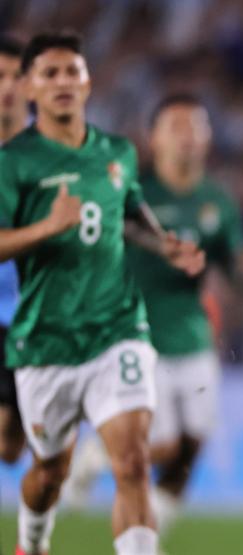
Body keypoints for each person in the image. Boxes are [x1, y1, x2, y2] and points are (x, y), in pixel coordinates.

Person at [0, 31, 204, 555]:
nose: (64, 82)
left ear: (89, 81)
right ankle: (32, 541)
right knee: (48, 472)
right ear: (30, 88)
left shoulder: (115, 152)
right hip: (45, 341)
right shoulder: (14, 162)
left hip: (117, 328)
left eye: (73, 71)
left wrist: (164, 245)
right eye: (50, 74)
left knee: (133, 461)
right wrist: (46, 228)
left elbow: (129, 213)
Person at [60, 93, 243, 533]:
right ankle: (100, 457)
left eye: (196, 127)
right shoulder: (130, 193)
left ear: (209, 137)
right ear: (153, 138)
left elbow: (232, 271)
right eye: (176, 127)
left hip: (193, 335)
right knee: (161, 443)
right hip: (135, 335)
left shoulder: (217, 201)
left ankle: (148, 527)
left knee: (193, 443)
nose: (188, 137)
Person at [0, 35, 28, 468]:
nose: (7, 87)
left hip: (40, 318)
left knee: (12, 448)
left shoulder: (58, 155)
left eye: (16, 76)